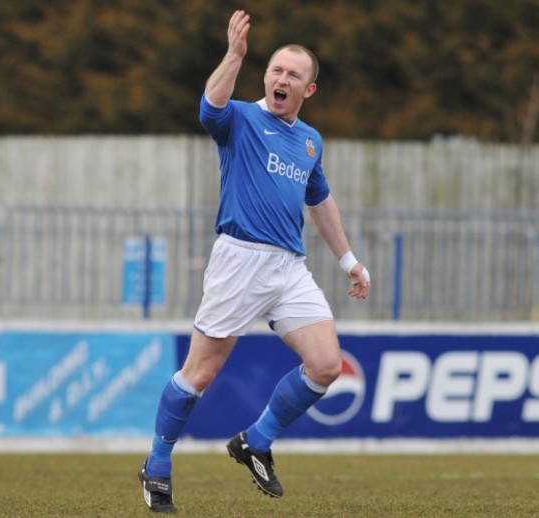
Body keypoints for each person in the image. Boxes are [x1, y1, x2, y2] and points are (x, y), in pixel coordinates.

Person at [138, 10, 371, 514]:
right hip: (240, 259)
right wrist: (234, 55)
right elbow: (208, 108)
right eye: (277, 70)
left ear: (309, 90)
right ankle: (157, 464)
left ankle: (256, 441)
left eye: (294, 75)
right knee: (200, 374)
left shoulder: (310, 139)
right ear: (266, 75)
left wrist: (349, 259)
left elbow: (321, 200)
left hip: (289, 267)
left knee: (327, 364)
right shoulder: (240, 118)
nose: (282, 79)